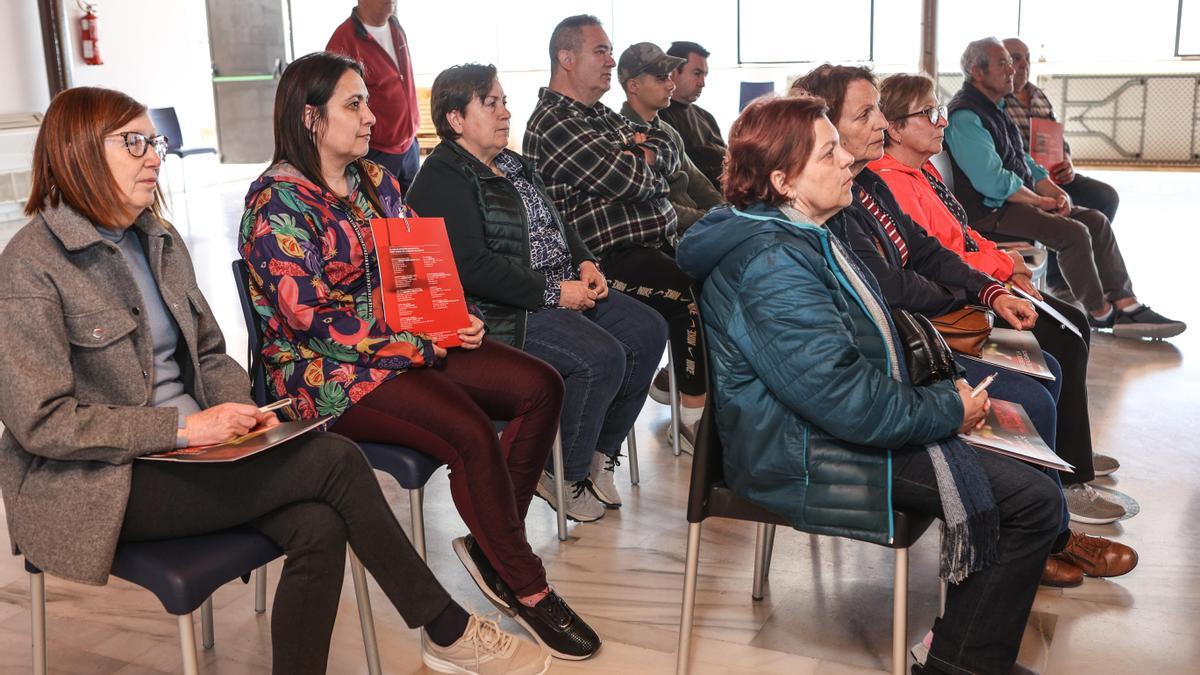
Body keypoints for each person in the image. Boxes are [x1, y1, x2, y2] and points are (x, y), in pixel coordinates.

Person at [0, 85, 548, 675]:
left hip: (198, 452)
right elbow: (42, 423)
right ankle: (446, 628)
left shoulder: (157, 239)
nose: (154, 156)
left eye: (152, 141)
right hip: (101, 481)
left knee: (318, 523)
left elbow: (210, 353)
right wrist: (183, 429)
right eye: (134, 143)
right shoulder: (31, 266)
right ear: (78, 152)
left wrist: (242, 417)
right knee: (335, 461)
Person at [677, 94, 1062, 675]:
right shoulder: (772, 261)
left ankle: (963, 653)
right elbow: (842, 399)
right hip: (801, 450)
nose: (847, 162)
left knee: (1025, 479)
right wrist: (943, 409)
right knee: (1031, 503)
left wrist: (941, 394)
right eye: (829, 153)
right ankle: (961, 662)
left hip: (819, 425)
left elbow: (850, 364)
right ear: (783, 180)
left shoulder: (801, 231)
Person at [239, 53, 600, 661]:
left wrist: (451, 317)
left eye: (368, 103)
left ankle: (493, 546)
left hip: (410, 342)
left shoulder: (375, 183)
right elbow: (314, 319)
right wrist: (416, 337)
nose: (371, 117)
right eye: (353, 105)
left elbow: (420, 265)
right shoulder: (275, 206)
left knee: (541, 386)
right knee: (467, 432)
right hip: (326, 374)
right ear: (310, 118)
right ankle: (528, 587)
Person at [872, 73, 1141, 535]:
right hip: (952, 308)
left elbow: (960, 233)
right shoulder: (891, 183)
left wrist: (1003, 262)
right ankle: (1068, 472)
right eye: (930, 113)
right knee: (1063, 336)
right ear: (894, 128)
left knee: (1072, 325)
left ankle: (1068, 450)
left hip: (975, 283)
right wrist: (1002, 266)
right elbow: (939, 258)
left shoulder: (922, 171)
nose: (942, 122)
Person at [406, 63, 667, 523]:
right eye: (492, 104)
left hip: (561, 284)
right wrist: (555, 292)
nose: (506, 112)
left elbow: (559, 223)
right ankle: (559, 472)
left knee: (649, 329)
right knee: (600, 355)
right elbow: (471, 268)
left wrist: (586, 261)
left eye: (504, 101)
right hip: (506, 308)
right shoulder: (443, 178)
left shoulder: (512, 163)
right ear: (456, 120)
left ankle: (597, 457)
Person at [523, 15, 708, 451]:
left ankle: (680, 391)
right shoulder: (554, 122)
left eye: (610, 51)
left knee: (718, 277)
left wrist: (640, 156)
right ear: (566, 58)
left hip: (650, 246)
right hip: (601, 261)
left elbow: (662, 149)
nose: (610, 61)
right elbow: (630, 180)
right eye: (600, 51)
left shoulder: (598, 115)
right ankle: (693, 418)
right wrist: (636, 160)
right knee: (689, 293)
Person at [944, 37, 1185, 339]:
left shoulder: (997, 107)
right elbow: (992, 181)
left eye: (1013, 61)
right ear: (976, 72)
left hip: (1012, 204)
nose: (1012, 69)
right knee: (1072, 233)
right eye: (1003, 63)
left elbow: (1025, 162)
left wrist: (1053, 192)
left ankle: (1127, 303)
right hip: (989, 213)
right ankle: (1101, 313)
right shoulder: (965, 115)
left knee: (1095, 219)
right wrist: (1039, 201)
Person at [1002, 37, 1123, 297]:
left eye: (1026, 57)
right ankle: (1062, 278)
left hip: (1054, 173)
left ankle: (1085, 267)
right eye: (1015, 58)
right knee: (1064, 211)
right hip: (1026, 179)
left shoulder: (1038, 95)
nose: (1023, 64)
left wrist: (1067, 160)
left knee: (1105, 197)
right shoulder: (998, 100)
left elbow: (1057, 137)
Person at [618, 42, 724, 233]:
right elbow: (657, 206)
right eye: (661, 78)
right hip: (673, 234)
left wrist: (725, 212)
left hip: (699, 225)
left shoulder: (668, 131)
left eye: (669, 77)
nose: (671, 85)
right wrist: (712, 220)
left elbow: (700, 185)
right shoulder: (621, 136)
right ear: (634, 85)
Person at [326, 0, 422, 191]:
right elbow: (335, 103)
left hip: (409, 145)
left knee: (412, 215)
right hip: (376, 151)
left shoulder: (395, 27)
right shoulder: (344, 40)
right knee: (380, 215)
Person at [659, 41, 727, 189]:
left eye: (704, 75)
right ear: (673, 72)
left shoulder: (706, 117)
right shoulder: (659, 118)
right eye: (697, 74)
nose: (702, 83)